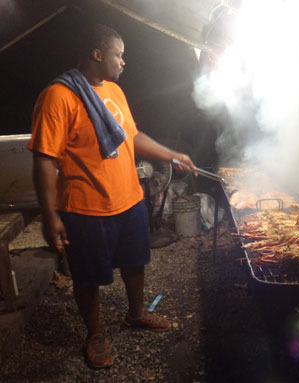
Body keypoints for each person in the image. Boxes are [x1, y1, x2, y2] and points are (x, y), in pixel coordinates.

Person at [28, 24, 196, 369]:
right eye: (119, 54)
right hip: (85, 207)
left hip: (129, 200)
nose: (123, 62)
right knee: (88, 276)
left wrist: (172, 155)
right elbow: (45, 158)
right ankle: (95, 334)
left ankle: (135, 314)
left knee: (136, 262)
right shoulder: (59, 96)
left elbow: (130, 137)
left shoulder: (115, 92)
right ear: (97, 54)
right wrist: (50, 216)